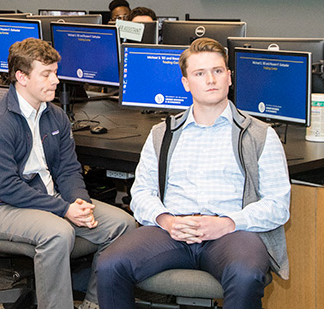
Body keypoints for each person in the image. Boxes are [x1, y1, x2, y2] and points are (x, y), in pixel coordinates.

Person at [96, 38, 290, 309]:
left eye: (218, 71)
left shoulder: (259, 135)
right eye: (200, 73)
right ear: (186, 83)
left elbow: (278, 205)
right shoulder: (162, 134)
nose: (211, 79)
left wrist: (227, 223)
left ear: (229, 77)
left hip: (231, 232)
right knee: (110, 264)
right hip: (172, 230)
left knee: (246, 274)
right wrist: (166, 220)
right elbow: (140, 192)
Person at [0, 38, 134, 309]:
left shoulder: (54, 115)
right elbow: (7, 187)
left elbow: (69, 169)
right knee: (58, 232)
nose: (56, 80)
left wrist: (80, 201)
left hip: (46, 201)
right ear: (21, 77)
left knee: (123, 224)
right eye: (46, 74)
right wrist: (63, 209)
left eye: (55, 73)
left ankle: (93, 304)